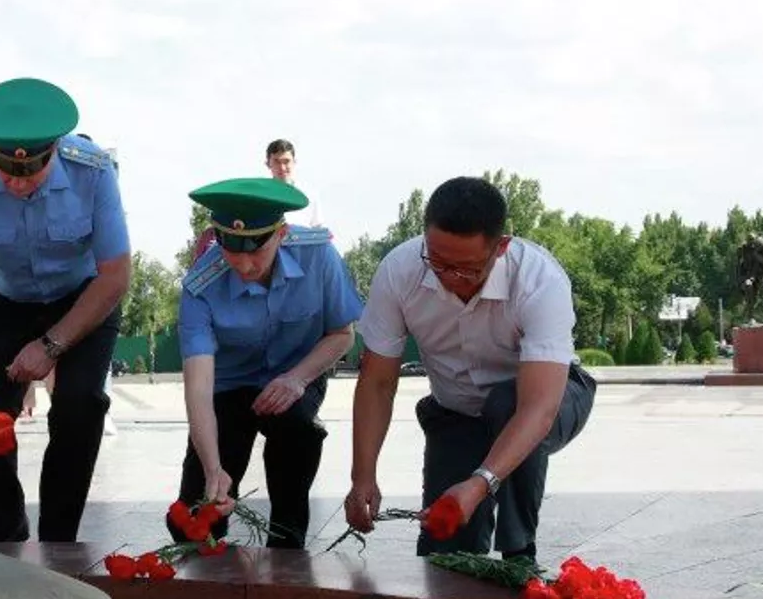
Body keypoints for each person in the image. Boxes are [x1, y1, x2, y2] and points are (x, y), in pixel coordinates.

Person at [0, 77, 131, 543]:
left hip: (83, 299)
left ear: (54, 151)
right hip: (6, 300)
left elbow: (116, 275)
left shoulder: (94, 171)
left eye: (31, 171)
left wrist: (51, 346)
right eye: (6, 171)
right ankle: (5, 522)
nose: (17, 182)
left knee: (80, 406)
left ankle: (58, 539)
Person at [342, 176, 596, 560]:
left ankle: (518, 557)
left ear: (501, 248)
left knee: (506, 405)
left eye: (467, 269)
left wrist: (479, 484)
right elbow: (377, 382)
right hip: (457, 410)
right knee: (446, 551)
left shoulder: (538, 280)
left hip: (550, 400)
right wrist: (362, 476)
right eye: (437, 262)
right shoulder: (399, 271)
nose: (449, 278)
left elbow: (538, 408)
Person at [176, 178, 364, 548]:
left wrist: (296, 379)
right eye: (232, 251)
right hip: (228, 386)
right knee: (195, 515)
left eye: (256, 251)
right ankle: (209, 555)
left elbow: (342, 335)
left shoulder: (319, 257)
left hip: (298, 373)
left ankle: (287, 546)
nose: (244, 265)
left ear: (281, 234)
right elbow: (198, 388)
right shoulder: (200, 286)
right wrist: (213, 467)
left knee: (297, 429)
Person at [264, 139, 329, 234]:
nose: (282, 167)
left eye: (286, 161)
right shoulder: (261, 196)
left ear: (294, 162)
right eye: (276, 162)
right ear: (268, 164)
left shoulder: (309, 194)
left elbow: (319, 229)